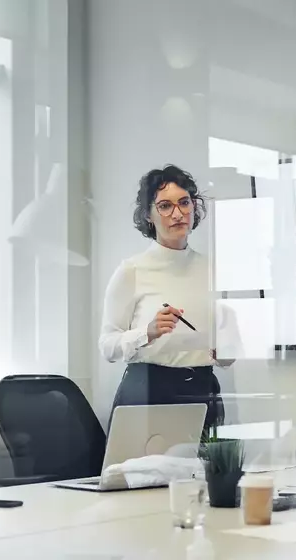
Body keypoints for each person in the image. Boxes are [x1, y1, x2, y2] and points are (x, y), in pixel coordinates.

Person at [99, 164, 236, 433]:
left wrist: (225, 351)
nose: (177, 213)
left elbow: (229, 352)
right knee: (147, 475)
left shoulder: (214, 270)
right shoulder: (132, 271)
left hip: (202, 390)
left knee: (202, 474)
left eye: (184, 203)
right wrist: (146, 333)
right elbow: (107, 346)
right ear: (149, 215)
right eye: (165, 206)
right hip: (149, 393)